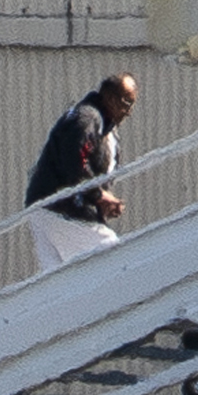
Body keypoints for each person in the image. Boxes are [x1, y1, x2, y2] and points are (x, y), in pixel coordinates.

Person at [26, 73, 137, 273]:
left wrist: (101, 202)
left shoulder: (105, 128)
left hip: (46, 209)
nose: (129, 111)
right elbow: (74, 160)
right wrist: (98, 196)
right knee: (114, 260)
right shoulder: (86, 118)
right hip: (60, 208)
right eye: (127, 103)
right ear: (110, 98)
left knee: (59, 283)